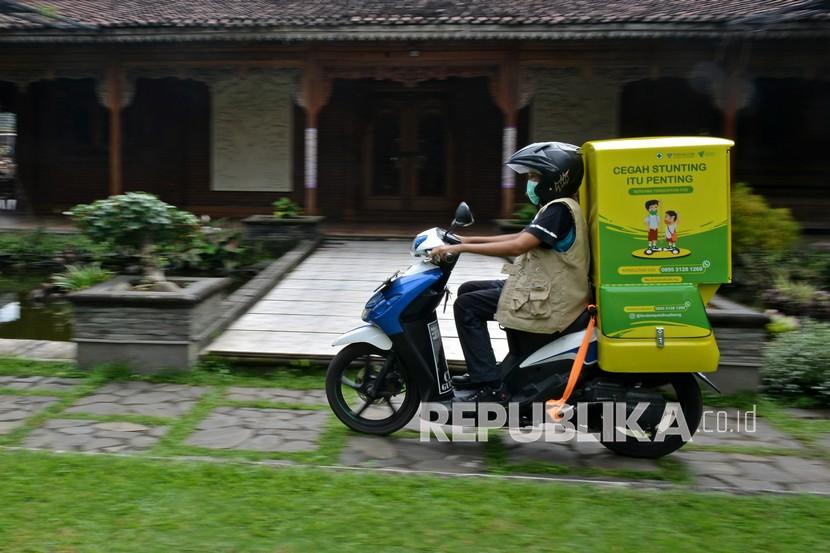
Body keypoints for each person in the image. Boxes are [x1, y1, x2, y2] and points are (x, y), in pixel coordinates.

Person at [430, 142, 592, 403]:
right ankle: (485, 371)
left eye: (533, 177)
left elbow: (519, 246)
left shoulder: (559, 210)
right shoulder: (557, 208)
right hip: (546, 288)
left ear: (554, 178)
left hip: (554, 299)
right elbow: (521, 236)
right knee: (468, 288)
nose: (529, 183)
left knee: (466, 305)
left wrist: (461, 248)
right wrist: (466, 240)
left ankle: (491, 387)